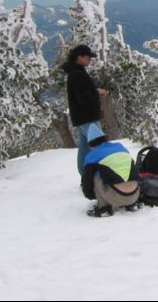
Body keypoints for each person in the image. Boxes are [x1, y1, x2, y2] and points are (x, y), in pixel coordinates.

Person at [62, 44, 106, 176]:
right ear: (79, 57)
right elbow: (83, 97)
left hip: (81, 117)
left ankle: (85, 176)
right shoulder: (77, 74)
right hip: (87, 116)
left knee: (85, 148)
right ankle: (103, 175)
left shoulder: (75, 72)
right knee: (100, 145)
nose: (90, 60)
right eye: (88, 57)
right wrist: (97, 92)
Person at [81, 124, 140, 217]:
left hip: (115, 196)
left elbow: (87, 180)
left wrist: (90, 195)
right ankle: (131, 205)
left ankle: (103, 208)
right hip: (135, 194)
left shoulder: (92, 155)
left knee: (96, 173)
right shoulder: (120, 147)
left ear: (91, 144)